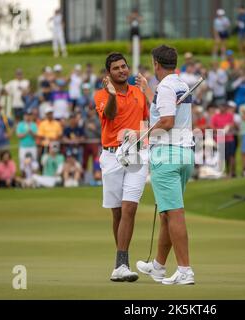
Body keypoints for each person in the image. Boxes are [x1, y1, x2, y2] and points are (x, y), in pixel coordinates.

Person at [135, 45, 195, 285]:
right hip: (183, 153)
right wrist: (149, 93)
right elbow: (163, 109)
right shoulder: (180, 84)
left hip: (167, 154)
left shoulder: (167, 86)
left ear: (156, 64)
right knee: (168, 214)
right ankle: (158, 266)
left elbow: (167, 121)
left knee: (175, 213)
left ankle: (185, 270)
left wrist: (142, 135)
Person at [94, 52, 149, 282]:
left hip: (136, 151)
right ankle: (122, 263)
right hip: (111, 155)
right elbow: (110, 114)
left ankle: (121, 264)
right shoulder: (101, 95)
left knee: (129, 208)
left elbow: (150, 119)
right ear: (109, 73)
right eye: (116, 68)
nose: (122, 71)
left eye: (124, 66)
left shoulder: (139, 92)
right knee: (117, 211)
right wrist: (113, 94)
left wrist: (148, 91)